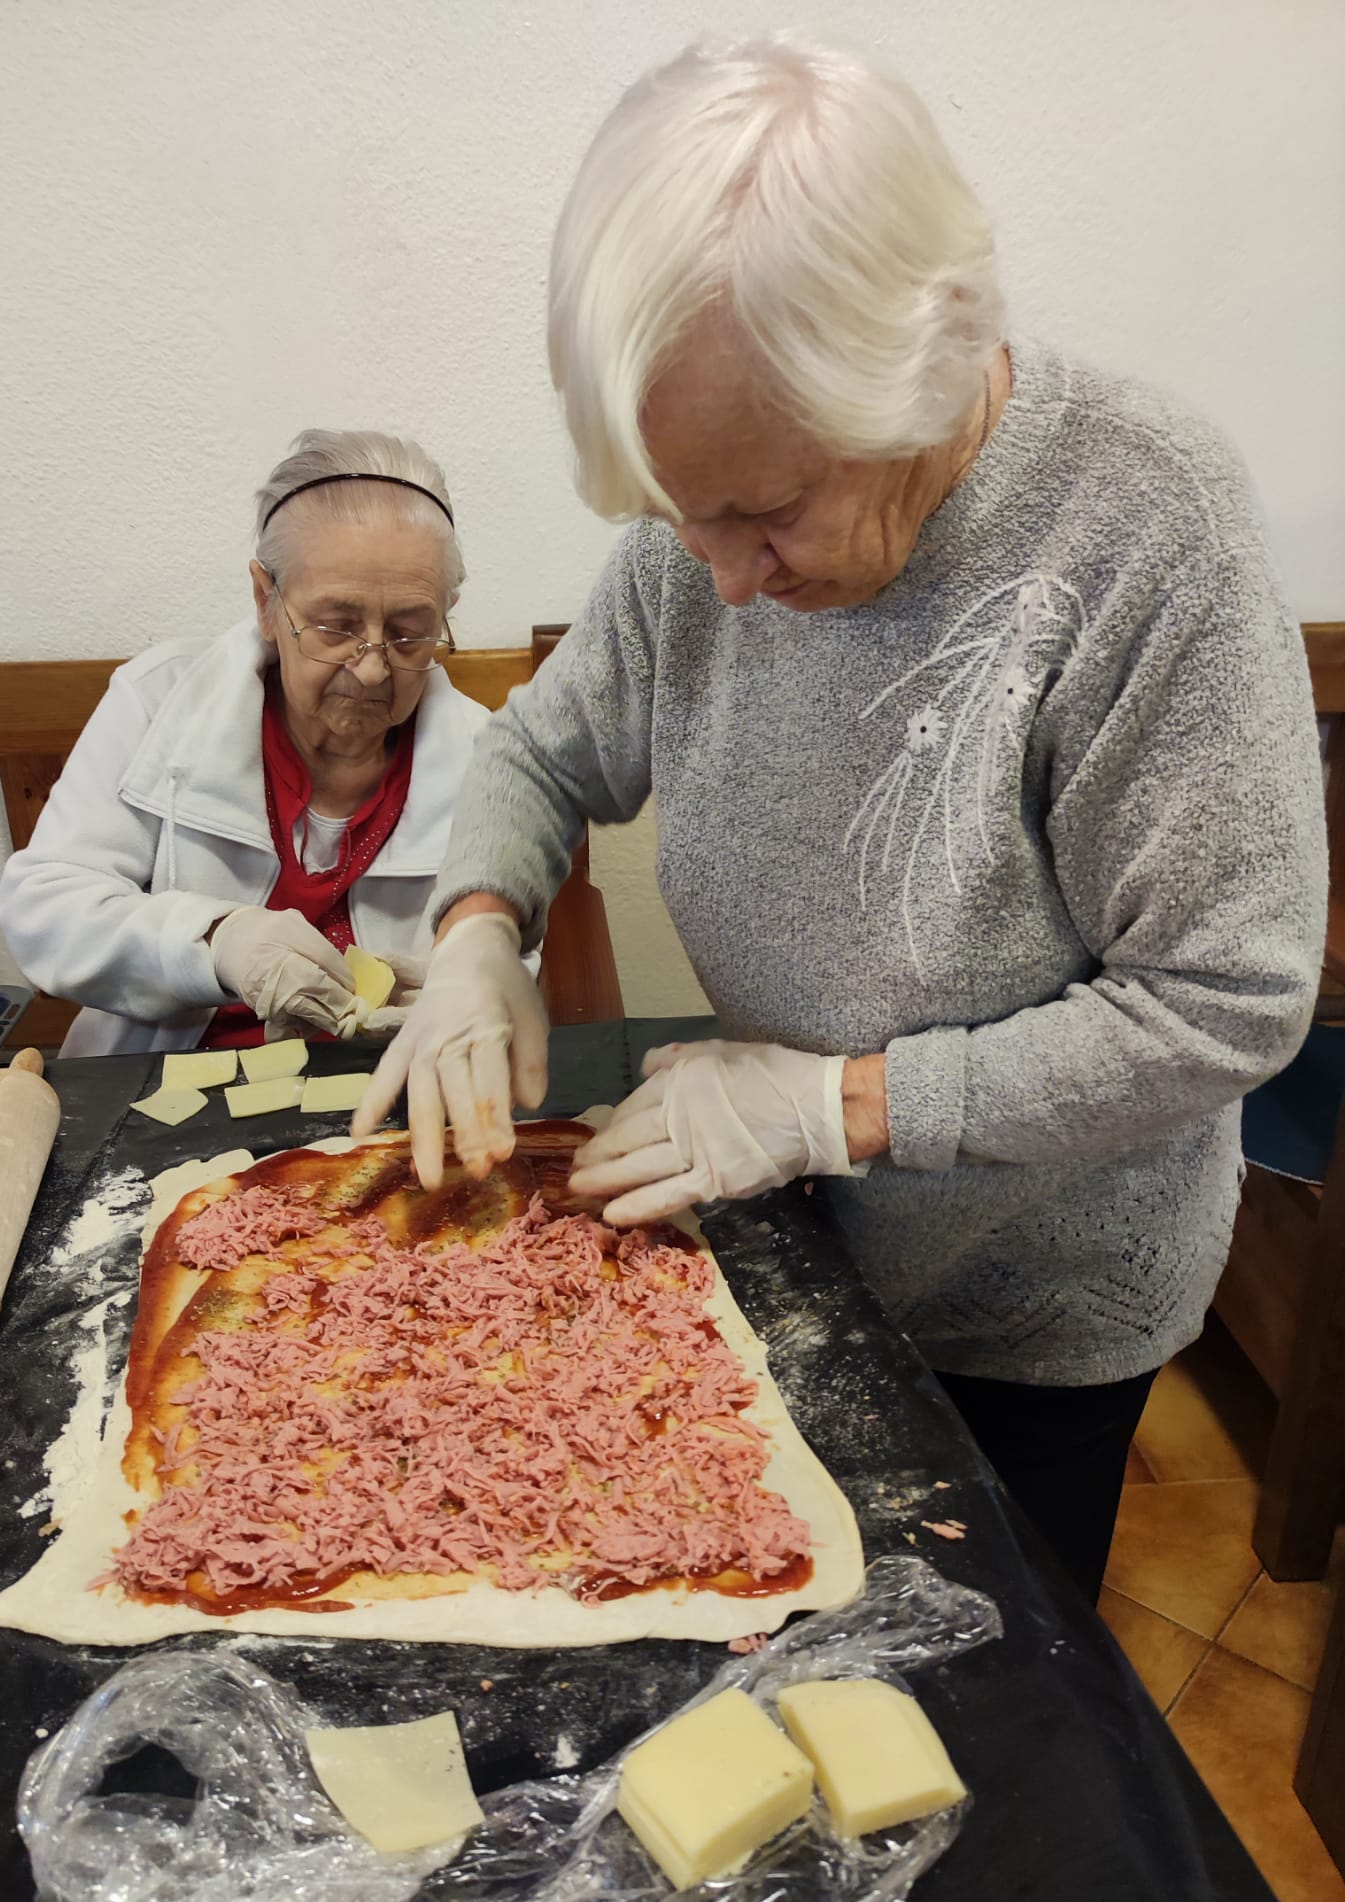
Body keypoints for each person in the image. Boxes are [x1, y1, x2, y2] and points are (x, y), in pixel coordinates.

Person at [354, 40, 1327, 1604]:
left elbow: (1225, 1002)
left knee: (976, 1673)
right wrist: (477, 932)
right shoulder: (707, 521)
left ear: (931, 372)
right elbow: (540, 753)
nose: (724, 581)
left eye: (767, 514)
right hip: (779, 1234)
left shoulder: (1145, 528)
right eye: (680, 516)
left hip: (1026, 1298)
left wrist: (840, 1107)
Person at [1, 429, 530, 1056]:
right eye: (335, 626)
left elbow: (514, 954)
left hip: (385, 1086)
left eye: (409, 632)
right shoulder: (158, 702)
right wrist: (215, 941)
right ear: (266, 601)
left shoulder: (486, 756)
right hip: (157, 1087)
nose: (372, 669)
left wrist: (466, 990)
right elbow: (45, 910)